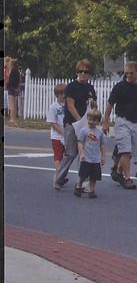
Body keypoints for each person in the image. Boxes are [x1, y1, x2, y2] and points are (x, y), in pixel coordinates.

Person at [103, 61, 137, 191]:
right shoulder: (119, 87)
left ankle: (117, 170)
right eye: (127, 73)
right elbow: (110, 105)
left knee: (130, 152)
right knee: (125, 150)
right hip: (122, 122)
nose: (129, 76)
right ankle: (127, 178)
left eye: (132, 73)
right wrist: (106, 121)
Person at [54, 59, 98, 190]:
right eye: (81, 71)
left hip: (86, 125)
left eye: (86, 72)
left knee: (84, 153)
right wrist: (80, 121)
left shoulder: (90, 88)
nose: (83, 74)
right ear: (77, 72)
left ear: (90, 74)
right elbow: (70, 105)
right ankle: (59, 178)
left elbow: (92, 104)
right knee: (71, 153)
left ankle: (82, 182)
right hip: (72, 124)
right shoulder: (72, 87)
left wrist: (93, 110)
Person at [74, 109, 109, 199]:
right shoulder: (83, 131)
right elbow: (80, 143)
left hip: (95, 159)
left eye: (93, 120)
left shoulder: (100, 133)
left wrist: (103, 156)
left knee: (94, 177)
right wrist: (81, 154)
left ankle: (92, 190)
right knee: (83, 175)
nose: (91, 122)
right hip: (86, 157)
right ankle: (78, 186)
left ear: (98, 121)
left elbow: (102, 145)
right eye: (89, 119)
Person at [46, 83, 67, 173]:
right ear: (57, 95)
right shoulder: (53, 107)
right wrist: (61, 131)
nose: (63, 96)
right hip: (57, 136)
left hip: (67, 134)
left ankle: (63, 173)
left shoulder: (69, 105)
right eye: (61, 94)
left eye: (64, 93)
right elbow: (52, 122)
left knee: (67, 155)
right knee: (58, 156)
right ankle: (59, 173)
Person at [5, 57, 21, 123]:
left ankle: (12, 119)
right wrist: (17, 88)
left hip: (11, 88)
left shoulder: (12, 71)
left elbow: (10, 81)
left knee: (11, 105)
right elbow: (18, 81)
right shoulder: (17, 71)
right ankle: (14, 118)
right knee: (14, 104)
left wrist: (7, 85)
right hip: (15, 88)